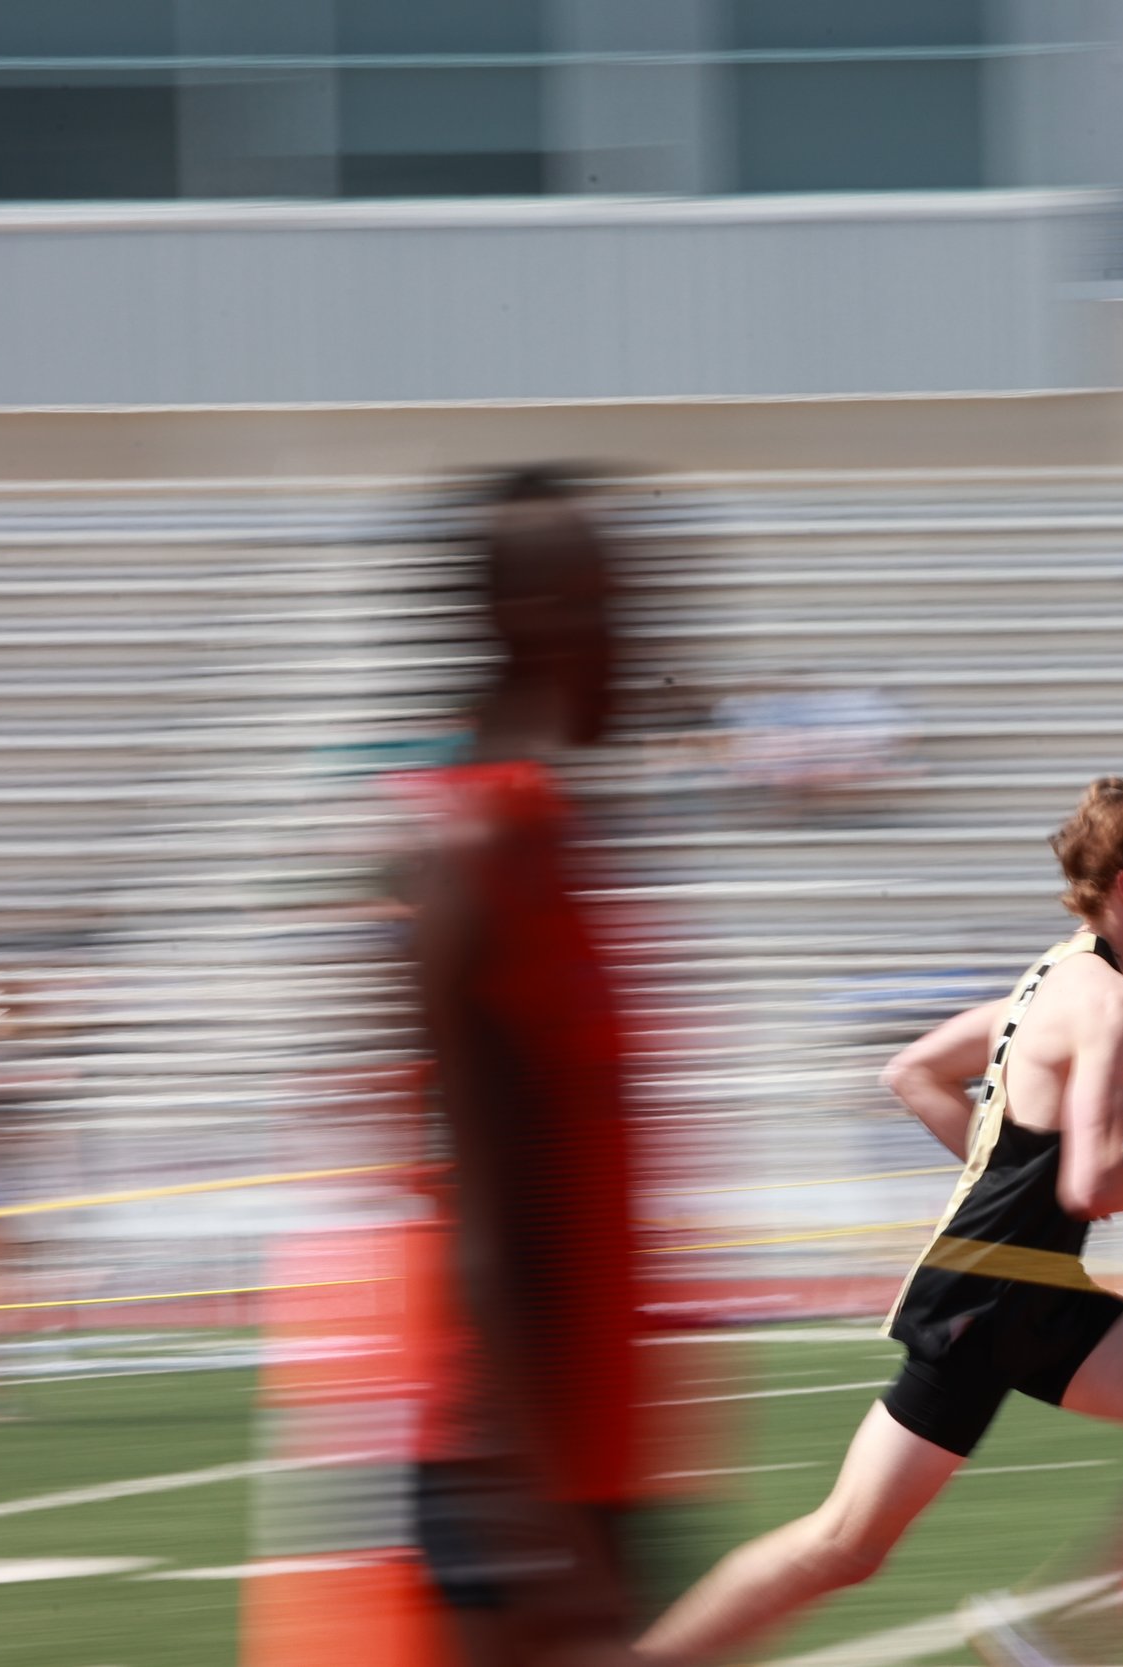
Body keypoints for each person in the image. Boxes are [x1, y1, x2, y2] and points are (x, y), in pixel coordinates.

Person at [640, 773, 1123, 1667]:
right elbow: (1090, 1184)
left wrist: (999, 1169)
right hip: (995, 1294)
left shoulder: (1048, 979)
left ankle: (1063, 1638)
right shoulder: (1116, 1008)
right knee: (844, 1543)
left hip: (1025, 1285)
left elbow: (911, 1072)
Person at [400, 467, 645, 1667]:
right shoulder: (476, 846)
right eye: (616, 603)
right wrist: (556, 1537)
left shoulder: (557, 833)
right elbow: (482, 1226)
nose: (642, 639)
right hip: (524, 1491)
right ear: (532, 616)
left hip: (594, 1471)